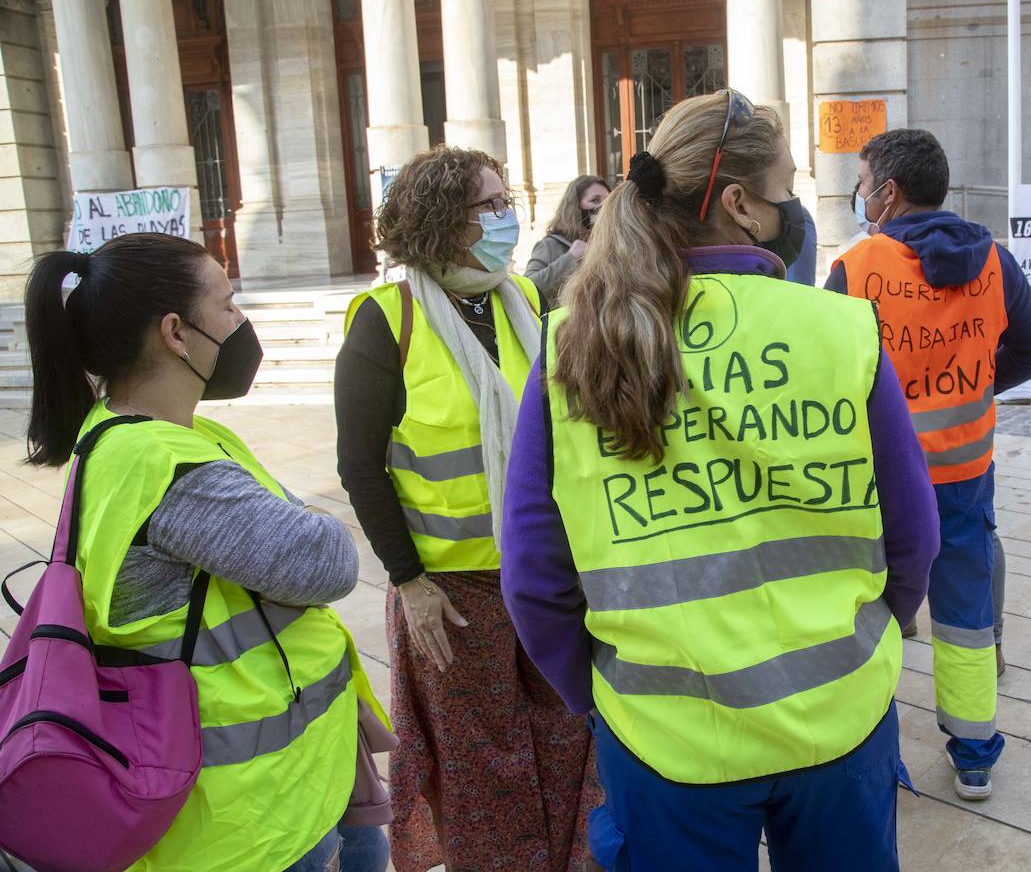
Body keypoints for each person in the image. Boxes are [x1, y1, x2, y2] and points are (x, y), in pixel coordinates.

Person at [501, 90, 942, 872]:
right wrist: (866, 639)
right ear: (739, 203)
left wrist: (598, 697)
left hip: (665, 737)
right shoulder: (837, 327)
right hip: (839, 716)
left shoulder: (573, 339)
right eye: (786, 184)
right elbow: (914, 538)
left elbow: (535, 574)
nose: (796, 203)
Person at [22, 233, 391, 872]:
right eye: (226, 303)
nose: (240, 319)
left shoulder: (145, 436)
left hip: (292, 782)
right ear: (175, 332)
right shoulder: (165, 465)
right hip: (258, 821)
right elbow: (326, 561)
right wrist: (305, 519)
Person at [333, 146, 599, 872]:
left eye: (503, 199)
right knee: (484, 760)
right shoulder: (384, 322)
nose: (503, 215)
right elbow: (360, 466)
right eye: (488, 203)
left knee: (570, 736)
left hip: (547, 576)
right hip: (453, 594)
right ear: (444, 218)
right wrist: (410, 582)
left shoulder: (531, 304)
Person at [827, 128, 1031, 801]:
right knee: (964, 615)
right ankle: (976, 755)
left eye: (865, 182)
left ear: (889, 192)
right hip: (963, 473)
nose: (862, 194)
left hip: (881, 481)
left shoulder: (860, 266)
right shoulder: (994, 261)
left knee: (869, 612)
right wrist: (979, 380)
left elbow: (836, 373)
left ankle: (868, 748)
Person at [526, 174, 611, 306]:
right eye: (595, 200)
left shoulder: (610, 244)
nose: (604, 207)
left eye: (608, 201)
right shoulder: (551, 245)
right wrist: (571, 258)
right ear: (575, 207)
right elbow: (527, 288)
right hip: (564, 324)